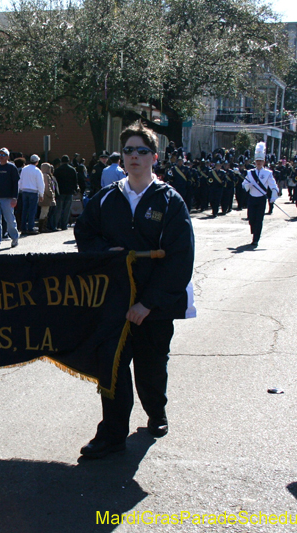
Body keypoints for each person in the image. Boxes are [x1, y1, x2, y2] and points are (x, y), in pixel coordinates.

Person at [74, 122, 194, 459]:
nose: (134, 156)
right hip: (113, 302)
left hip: (153, 306)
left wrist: (148, 303)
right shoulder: (107, 197)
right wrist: (102, 252)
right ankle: (112, 433)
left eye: (142, 150)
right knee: (111, 367)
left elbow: (180, 260)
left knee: (151, 366)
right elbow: (83, 233)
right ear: (121, 157)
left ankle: (156, 412)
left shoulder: (170, 202)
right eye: (128, 150)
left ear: (154, 157)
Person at [242, 142, 279, 247]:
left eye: (260, 161)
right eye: (257, 161)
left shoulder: (268, 173)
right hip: (252, 198)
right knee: (251, 218)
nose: (258, 163)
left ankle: (256, 239)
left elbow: (273, 186)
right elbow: (244, 185)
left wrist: (273, 197)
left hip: (261, 199)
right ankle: (254, 231)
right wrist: (248, 185)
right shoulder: (250, 173)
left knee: (259, 219)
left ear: (263, 162)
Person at [0, 147, 19, 251]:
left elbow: (15, 184)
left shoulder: (12, 167)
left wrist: (15, 197)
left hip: (8, 198)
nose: (1, 157)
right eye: (0, 155)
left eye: (4, 155)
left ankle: (14, 237)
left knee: (10, 220)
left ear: (8, 157)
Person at [18, 154, 45, 235]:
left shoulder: (24, 169)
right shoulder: (37, 171)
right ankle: (30, 227)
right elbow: (40, 183)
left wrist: (20, 189)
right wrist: (41, 194)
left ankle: (23, 227)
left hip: (24, 191)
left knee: (25, 210)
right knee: (32, 210)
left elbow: (20, 180)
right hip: (33, 192)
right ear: (37, 162)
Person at [53, 154, 79, 231]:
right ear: (68, 161)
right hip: (69, 192)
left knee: (59, 209)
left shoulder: (57, 170)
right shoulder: (72, 170)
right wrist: (75, 190)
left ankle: (56, 224)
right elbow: (75, 181)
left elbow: (55, 182)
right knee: (67, 209)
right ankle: (64, 225)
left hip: (60, 192)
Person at [39, 162, 58, 232]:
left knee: (45, 212)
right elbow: (47, 187)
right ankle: (42, 227)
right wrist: (51, 194)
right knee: (44, 212)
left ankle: (44, 227)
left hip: (45, 196)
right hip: (46, 197)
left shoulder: (43, 175)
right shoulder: (45, 176)